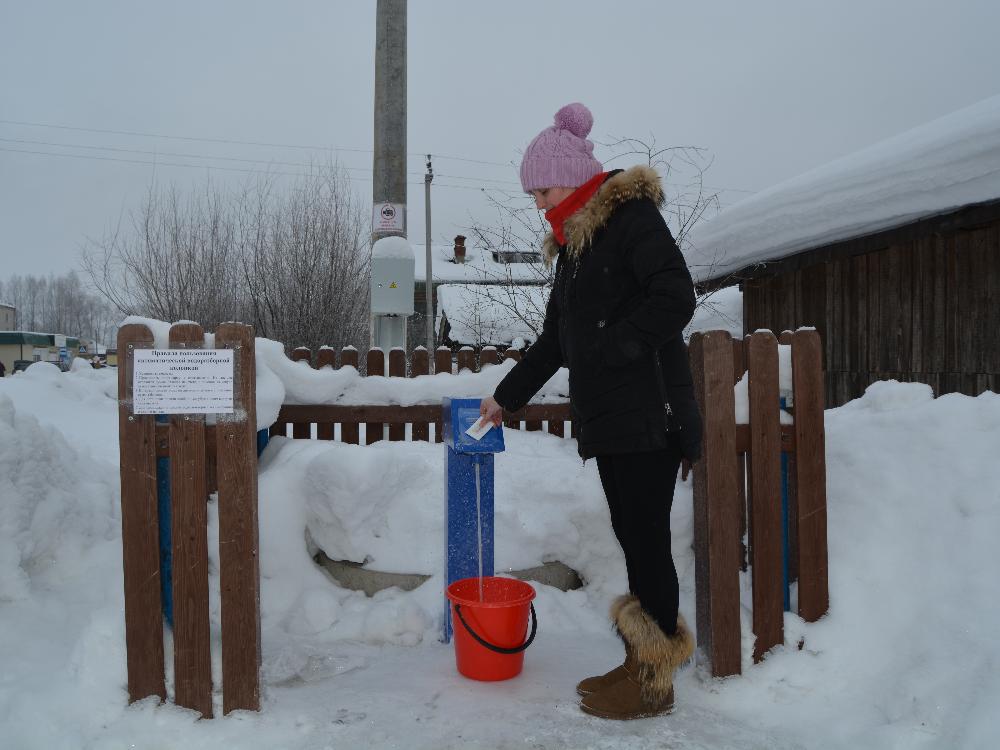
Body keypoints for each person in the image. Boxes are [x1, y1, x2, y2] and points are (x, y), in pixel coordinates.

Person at [480, 103, 703, 720]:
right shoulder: (577, 247)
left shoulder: (631, 220)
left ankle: (655, 681)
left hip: (649, 414)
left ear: (575, 179)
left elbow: (675, 296)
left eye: (543, 189)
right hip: (612, 419)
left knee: (649, 546)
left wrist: (611, 348)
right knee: (635, 542)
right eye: (531, 193)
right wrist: (506, 396)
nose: (537, 203)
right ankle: (641, 662)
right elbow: (555, 341)